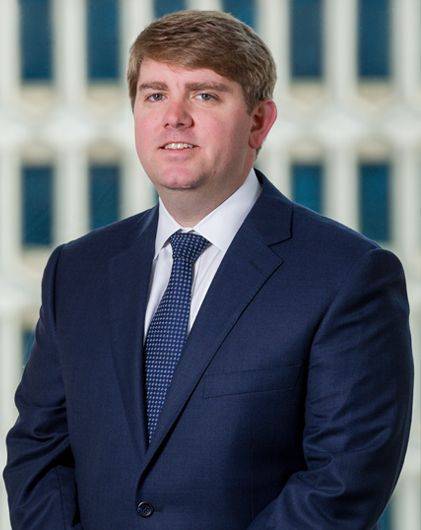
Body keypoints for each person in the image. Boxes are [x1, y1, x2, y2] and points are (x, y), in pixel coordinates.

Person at [3, 10, 413, 530]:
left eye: (204, 95)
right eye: (155, 95)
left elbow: (341, 483)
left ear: (259, 122)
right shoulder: (76, 270)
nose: (174, 117)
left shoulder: (347, 275)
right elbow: (39, 451)